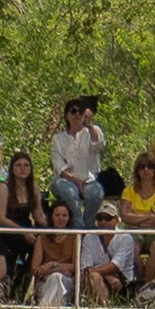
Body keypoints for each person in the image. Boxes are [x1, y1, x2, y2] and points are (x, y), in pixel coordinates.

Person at [48, 97, 105, 228]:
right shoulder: (59, 139)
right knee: (70, 193)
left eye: (80, 112)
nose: (77, 115)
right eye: (73, 111)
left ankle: (88, 225)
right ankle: (79, 226)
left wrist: (89, 124)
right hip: (66, 181)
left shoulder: (93, 131)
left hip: (89, 180)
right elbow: (59, 167)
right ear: (66, 116)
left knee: (96, 194)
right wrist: (76, 181)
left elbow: (99, 146)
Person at [0, 150, 42, 295]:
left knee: (40, 246)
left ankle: (22, 286)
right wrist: (23, 231)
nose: (22, 169)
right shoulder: (3, 187)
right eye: (18, 165)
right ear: (12, 169)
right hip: (4, 232)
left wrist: (56, 224)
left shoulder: (34, 188)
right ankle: (5, 292)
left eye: (26, 165)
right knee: (7, 267)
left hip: (26, 231)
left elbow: (39, 216)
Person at [118, 153, 155, 285]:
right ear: (137, 171)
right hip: (134, 231)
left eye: (150, 166)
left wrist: (136, 216)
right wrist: (150, 215)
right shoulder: (128, 191)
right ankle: (139, 283)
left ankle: (142, 283)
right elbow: (125, 216)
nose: (146, 170)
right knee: (130, 246)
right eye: (142, 167)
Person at [80, 199, 135, 302]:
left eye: (107, 218)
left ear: (117, 220)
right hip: (99, 280)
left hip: (123, 283)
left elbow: (116, 266)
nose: (103, 222)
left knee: (94, 274)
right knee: (94, 276)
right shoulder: (89, 237)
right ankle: (104, 307)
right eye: (100, 218)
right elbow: (86, 267)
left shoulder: (125, 238)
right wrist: (106, 274)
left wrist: (95, 271)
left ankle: (103, 308)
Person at [30, 202, 79, 306]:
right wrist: (61, 269)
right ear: (51, 217)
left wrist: (51, 266)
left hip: (67, 281)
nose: (61, 218)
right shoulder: (41, 239)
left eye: (64, 215)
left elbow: (76, 266)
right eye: (57, 215)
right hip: (44, 282)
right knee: (55, 280)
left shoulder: (75, 238)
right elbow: (35, 269)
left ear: (69, 218)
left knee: (56, 278)